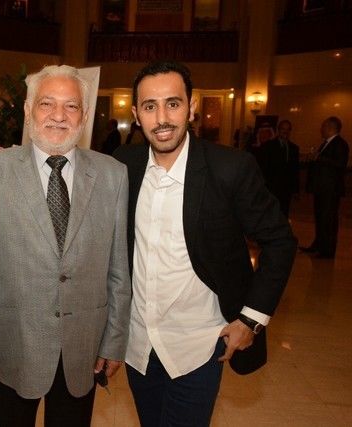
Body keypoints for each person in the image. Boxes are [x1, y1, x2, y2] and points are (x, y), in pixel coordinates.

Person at [113, 60, 297, 426]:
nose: (162, 118)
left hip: (199, 347)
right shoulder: (123, 166)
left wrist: (251, 318)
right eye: (149, 106)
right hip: (138, 346)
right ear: (135, 115)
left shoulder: (230, 168)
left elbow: (280, 240)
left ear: (191, 107)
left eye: (173, 103)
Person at [0, 65, 131, 426]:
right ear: (28, 110)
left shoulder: (113, 175)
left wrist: (114, 340)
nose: (58, 116)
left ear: (85, 115)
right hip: (10, 349)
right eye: (47, 103)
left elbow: (118, 269)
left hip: (83, 351)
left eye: (71, 106)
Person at [301, 116, 350, 258]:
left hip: (330, 190)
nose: (321, 129)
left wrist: (319, 158)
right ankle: (318, 245)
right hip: (322, 189)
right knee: (321, 218)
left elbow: (340, 164)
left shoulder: (340, 144)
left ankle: (327, 251)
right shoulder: (326, 143)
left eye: (323, 126)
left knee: (328, 220)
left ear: (330, 127)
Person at [258, 119, 300, 218]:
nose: (285, 131)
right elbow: (263, 168)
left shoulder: (294, 148)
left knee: (284, 213)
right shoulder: (268, 146)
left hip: (287, 189)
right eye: (283, 129)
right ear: (278, 130)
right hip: (272, 188)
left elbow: (295, 170)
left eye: (288, 129)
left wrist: (296, 190)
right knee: (271, 213)